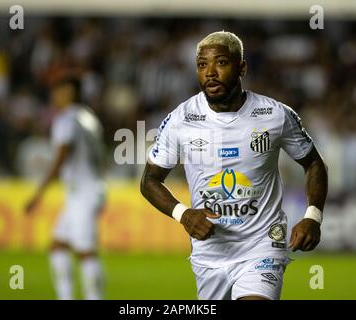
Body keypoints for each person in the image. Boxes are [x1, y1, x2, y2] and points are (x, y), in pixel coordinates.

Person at [140, 31, 328, 300]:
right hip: (209, 253)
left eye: (221, 63)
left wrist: (313, 216)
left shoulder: (274, 114)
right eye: (202, 65)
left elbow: (313, 164)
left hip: (262, 246)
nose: (211, 72)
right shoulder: (180, 119)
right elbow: (149, 180)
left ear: (242, 67)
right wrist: (184, 214)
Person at [25, 76, 106, 300]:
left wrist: (38, 194)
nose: (54, 96)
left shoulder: (66, 119)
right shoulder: (88, 117)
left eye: (57, 91)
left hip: (83, 193)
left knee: (85, 252)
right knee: (58, 246)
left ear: (67, 93)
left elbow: (61, 157)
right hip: (90, 188)